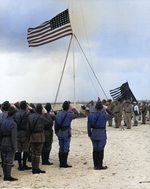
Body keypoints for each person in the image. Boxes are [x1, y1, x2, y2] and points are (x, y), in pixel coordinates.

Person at [87, 101, 114, 170]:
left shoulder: (91, 115)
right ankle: (99, 165)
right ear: (102, 107)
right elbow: (112, 115)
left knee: (95, 149)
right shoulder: (104, 115)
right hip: (101, 132)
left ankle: (95, 165)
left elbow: (88, 126)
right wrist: (106, 109)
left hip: (94, 133)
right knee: (100, 149)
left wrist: (89, 134)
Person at [27, 104, 52, 174]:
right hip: (39, 136)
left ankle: (33, 168)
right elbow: (49, 122)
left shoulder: (30, 116)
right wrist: (46, 113)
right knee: (37, 153)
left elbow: (28, 128)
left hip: (32, 136)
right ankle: (36, 168)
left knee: (33, 152)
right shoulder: (41, 117)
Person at [55, 101, 78, 168]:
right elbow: (77, 114)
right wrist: (73, 108)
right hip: (66, 132)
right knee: (66, 147)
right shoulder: (69, 114)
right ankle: (64, 163)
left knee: (61, 147)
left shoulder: (58, 114)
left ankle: (61, 162)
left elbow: (55, 125)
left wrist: (56, 132)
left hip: (59, 132)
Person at [14, 101, 33, 171]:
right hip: (25, 132)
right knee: (26, 149)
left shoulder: (16, 114)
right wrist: (30, 108)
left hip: (17, 132)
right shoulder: (27, 114)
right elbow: (34, 113)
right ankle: (24, 164)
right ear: (26, 107)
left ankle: (20, 165)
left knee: (19, 149)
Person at [1, 106, 18, 181]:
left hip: (3, 141)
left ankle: (5, 175)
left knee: (4, 159)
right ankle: (8, 176)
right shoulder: (13, 123)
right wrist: (15, 146)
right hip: (9, 142)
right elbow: (13, 136)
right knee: (9, 160)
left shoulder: (4, 121)